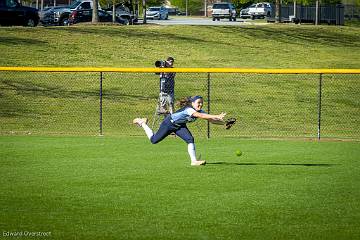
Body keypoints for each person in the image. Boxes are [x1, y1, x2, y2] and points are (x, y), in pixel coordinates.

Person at [133, 95, 227, 166]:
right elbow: (202, 116)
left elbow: (211, 120)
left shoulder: (199, 111)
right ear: (193, 103)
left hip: (179, 126)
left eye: (202, 103)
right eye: (198, 102)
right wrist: (217, 115)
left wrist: (225, 123)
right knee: (154, 140)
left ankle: (193, 161)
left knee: (190, 139)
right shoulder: (189, 110)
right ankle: (142, 123)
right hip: (169, 123)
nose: (200, 104)